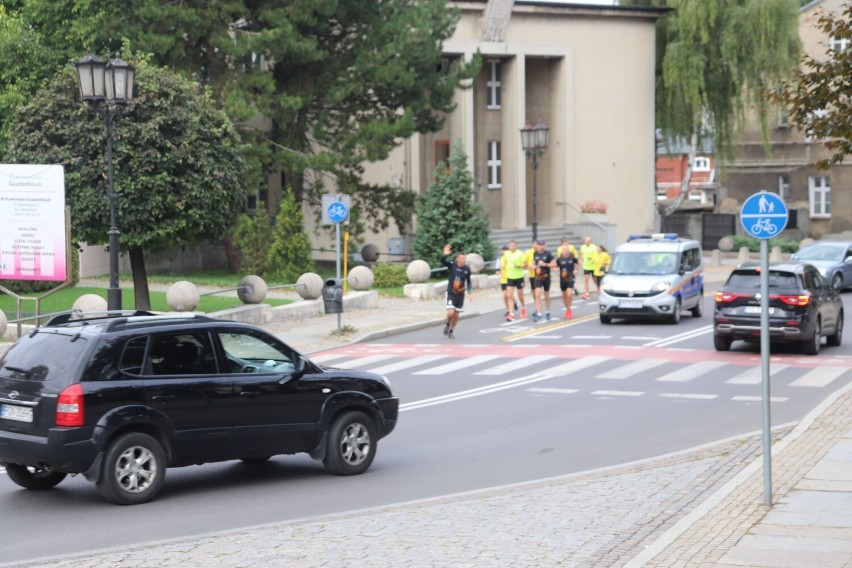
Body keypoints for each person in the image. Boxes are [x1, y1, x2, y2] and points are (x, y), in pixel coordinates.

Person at [440, 243, 472, 339]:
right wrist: (444, 254)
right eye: (462, 259)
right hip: (451, 293)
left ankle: (451, 331)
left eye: (465, 259)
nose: (464, 260)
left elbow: (469, 282)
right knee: (451, 312)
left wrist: (469, 292)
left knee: (456, 315)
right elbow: (442, 261)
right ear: (457, 258)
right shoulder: (452, 265)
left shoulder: (467, 269)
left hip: (460, 295)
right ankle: (447, 323)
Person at [531, 240, 556, 321]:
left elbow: (554, 264)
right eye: (540, 245)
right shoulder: (535, 253)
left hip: (546, 277)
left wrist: (545, 264)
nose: (541, 246)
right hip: (538, 277)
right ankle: (538, 313)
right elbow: (533, 263)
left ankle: (548, 311)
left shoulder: (548, 254)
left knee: (546, 295)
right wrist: (533, 266)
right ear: (538, 246)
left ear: (545, 245)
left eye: (542, 245)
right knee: (537, 295)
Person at [503, 240, 527, 321]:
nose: (512, 247)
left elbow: (525, 264)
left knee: (520, 296)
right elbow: (506, 261)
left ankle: (523, 307)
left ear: (516, 246)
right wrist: (504, 266)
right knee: (509, 295)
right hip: (510, 277)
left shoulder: (520, 253)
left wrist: (519, 266)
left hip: (519, 277)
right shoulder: (507, 253)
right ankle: (511, 314)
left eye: (513, 245)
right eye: (510, 245)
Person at [555, 243, 579, 319]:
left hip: (570, 278)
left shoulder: (572, 257)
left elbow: (578, 263)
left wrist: (576, 269)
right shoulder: (559, 259)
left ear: (568, 250)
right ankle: (567, 308)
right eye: (563, 250)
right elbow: (556, 266)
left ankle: (569, 309)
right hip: (562, 280)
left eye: (566, 249)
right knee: (564, 296)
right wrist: (555, 269)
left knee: (569, 294)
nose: (565, 251)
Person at [496, 245, 519, 318]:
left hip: (510, 278)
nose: (504, 252)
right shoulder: (500, 259)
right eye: (503, 251)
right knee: (504, 296)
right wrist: (498, 272)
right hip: (503, 280)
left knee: (508, 295)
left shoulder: (511, 258)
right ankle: (509, 309)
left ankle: (512, 306)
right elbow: (497, 269)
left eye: (505, 251)